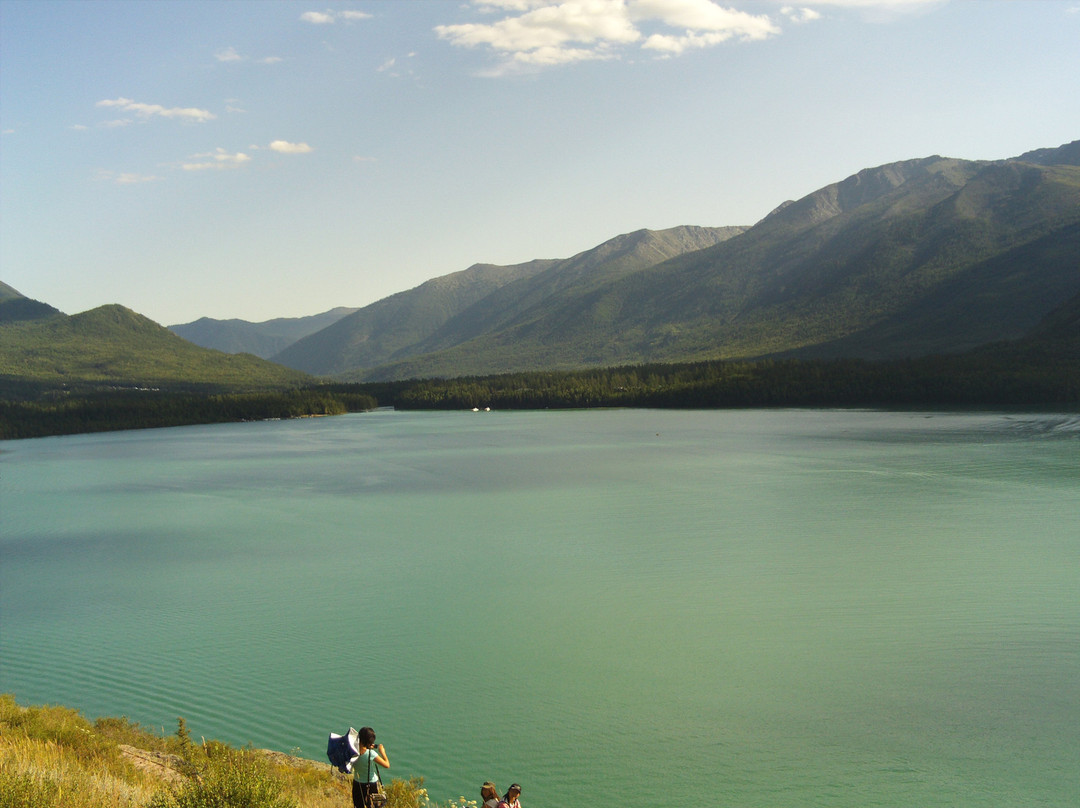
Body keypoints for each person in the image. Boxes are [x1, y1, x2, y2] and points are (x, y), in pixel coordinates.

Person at [352, 726, 389, 808]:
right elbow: (387, 765)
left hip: (357, 784)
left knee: (358, 806)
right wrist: (382, 752)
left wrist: (367, 746)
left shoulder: (352, 751)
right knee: (374, 806)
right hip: (371, 784)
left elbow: (361, 750)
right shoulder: (371, 754)